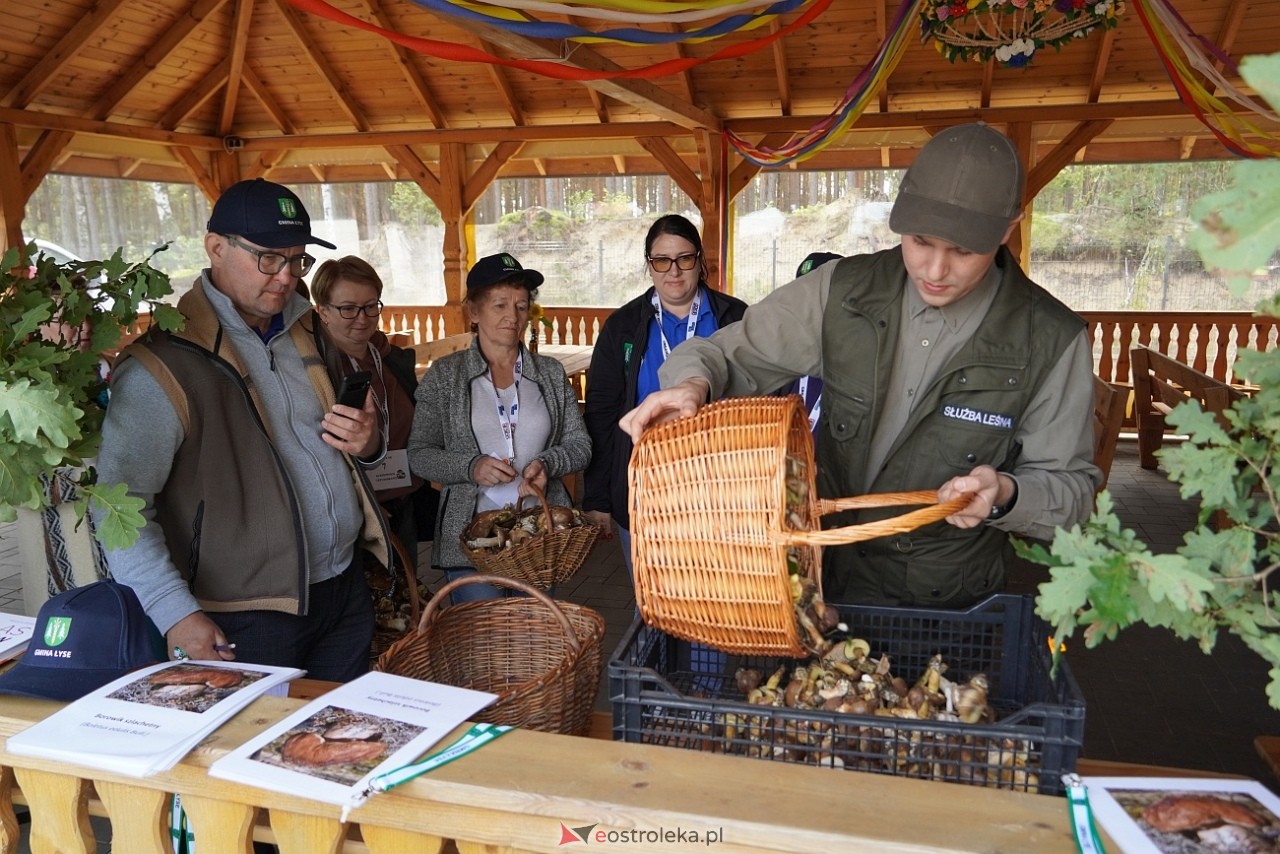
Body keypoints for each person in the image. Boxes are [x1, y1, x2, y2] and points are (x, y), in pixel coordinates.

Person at [620, 123, 1101, 609]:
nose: (934, 270)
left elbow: (1072, 491)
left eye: (963, 251)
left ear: (1007, 229)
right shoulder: (843, 291)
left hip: (943, 604)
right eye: (920, 241)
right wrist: (692, 383)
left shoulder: (1051, 340)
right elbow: (725, 351)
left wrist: (1005, 493)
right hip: (820, 582)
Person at [95, 177, 391, 682]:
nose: (285, 277)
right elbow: (118, 507)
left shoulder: (306, 328)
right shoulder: (159, 366)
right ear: (215, 248)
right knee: (250, 750)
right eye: (269, 258)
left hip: (343, 588)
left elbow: (343, 442)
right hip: (240, 614)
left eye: (297, 260)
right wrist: (175, 612)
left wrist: (368, 443)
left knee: (333, 749)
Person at [407, 253, 591, 602]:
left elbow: (580, 444)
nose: (513, 316)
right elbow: (419, 454)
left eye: (521, 306)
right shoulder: (446, 375)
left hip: (535, 537)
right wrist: (470, 466)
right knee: (480, 648)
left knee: (533, 643)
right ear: (474, 312)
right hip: (470, 540)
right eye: (500, 305)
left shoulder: (549, 373)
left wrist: (547, 463)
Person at [582, 214, 748, 562]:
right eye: (662, 260)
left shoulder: (734, 317)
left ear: (700, 261)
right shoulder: (622, 327)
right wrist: (598, 498)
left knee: (716, 599)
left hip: (721, 489)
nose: (673, 271)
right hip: (645, 489)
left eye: (684, 259)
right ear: (649, 265)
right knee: (654, 605)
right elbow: (602, 415)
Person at [310, 255, 435, 567]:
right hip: (357, 517)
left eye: (370, 306)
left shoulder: (389, 358)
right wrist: (364, 504)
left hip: (403, 500)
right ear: (322, 311)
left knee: (406, 602)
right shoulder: (317, 372)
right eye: (348, 308)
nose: (362, 317)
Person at [787, 251, 843, 438]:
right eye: (801, 294)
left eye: (820, 294)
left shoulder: (862, 361)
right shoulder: (783, 355)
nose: (808, 305)